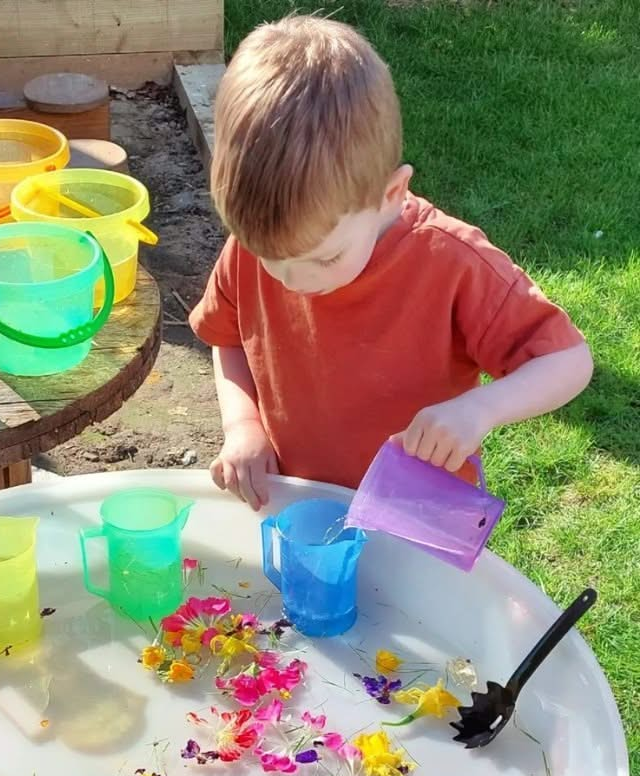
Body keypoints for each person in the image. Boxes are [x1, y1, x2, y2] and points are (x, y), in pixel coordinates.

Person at [190, 15, 593, 511]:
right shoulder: (259, 245)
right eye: (271, 259)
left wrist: (480, 409)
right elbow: (226, 336)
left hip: (417, 514)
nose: (293, 280)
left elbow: (568, 360)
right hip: (301, 505)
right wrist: (243, 425)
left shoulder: (450, 262)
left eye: (325, 257)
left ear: (390, 194)